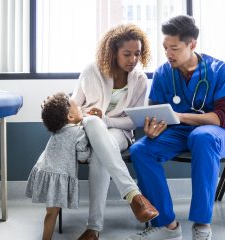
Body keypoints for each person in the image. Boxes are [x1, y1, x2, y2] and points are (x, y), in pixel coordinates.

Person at [127, 15, 225, 240]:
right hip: (178, 131)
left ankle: (202, 225)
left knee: (202, 137)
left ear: (192, 45)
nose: (168, 53)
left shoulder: (220, 70)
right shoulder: (162, 73)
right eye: (165, 47)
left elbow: (221, 118)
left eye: (174, 48)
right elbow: (157, 112)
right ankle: (167, 226)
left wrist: (180, 116)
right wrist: (152, 128)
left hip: (218, 132)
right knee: (140, 150)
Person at [71, 23, 159, 240]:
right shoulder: (91, 70)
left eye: (137, 54)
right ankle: (134, 196)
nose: (133, 59)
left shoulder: (139, 79)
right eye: (127, 54)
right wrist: (87, 116)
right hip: (89, 131)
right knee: (93, 124)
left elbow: (133, 121)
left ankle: (93, 229)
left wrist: (106, 119)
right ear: (113, 52)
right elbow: (74, 105)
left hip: (120, 133)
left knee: (101, 153)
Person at [26, 92, 91, 240]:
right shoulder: (79, 132)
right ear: (70, 117)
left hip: (45, 169)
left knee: (50, 213)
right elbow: (83, 158)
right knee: (52, 213)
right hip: (57, 175)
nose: (81, 107)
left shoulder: (58, 127)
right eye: (78, 107)